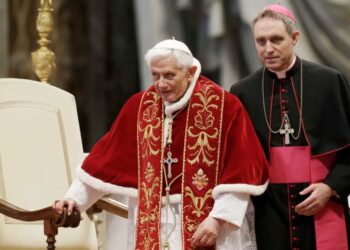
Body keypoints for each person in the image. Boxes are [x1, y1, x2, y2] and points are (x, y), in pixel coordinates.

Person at [53, 39, 268, 250]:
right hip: (151, 221)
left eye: (169, 76)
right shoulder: (139, 107)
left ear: (191, 72)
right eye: (155, 75)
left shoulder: (224, 107)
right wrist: (74, 199)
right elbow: (104, 162)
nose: (161, 84)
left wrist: (218, 219)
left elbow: (241, 173)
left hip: (207, 224)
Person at [230, 4, 350, 250]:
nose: (268, 49)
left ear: (294, 38)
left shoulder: (329, 82)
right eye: (260, 41)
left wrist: (332, 187)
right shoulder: (242, 91)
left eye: (276, 39)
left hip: (322, 199)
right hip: (268, 208)